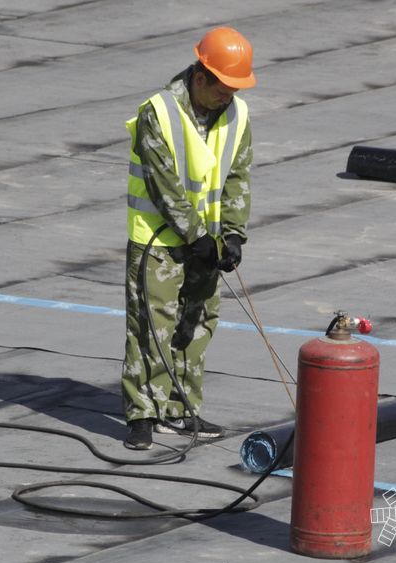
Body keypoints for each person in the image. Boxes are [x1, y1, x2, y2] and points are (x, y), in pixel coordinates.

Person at [121, 27, 256, 450]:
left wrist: (232, 235)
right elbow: (164, 187)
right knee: (151, 326)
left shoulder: (237, 114)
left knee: (195, 323)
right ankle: (142, 413)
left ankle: (179, 409)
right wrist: (197, 236)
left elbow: (237, 177)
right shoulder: (157, 113)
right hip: (157, 240)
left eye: (235, 88)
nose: (229, 96)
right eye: (223, 87)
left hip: (207, 241)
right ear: (201, 76)